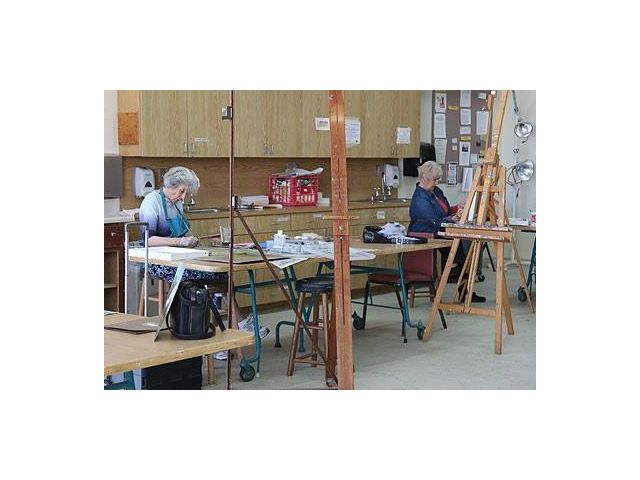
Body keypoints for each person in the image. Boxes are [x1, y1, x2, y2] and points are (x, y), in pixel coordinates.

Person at [139, 167, 269, 357]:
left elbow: (181, 234)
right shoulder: (152, 202)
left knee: (219, 275)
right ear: (171, 185)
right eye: (181, 192)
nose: (183, 197)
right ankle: (232, 328)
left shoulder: (176, 203)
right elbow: (147, 240)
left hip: (179, 257)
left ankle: (221, 336)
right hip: (159, 262)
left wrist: (190, 241)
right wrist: (179, 242)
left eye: (186, 193)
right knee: (206, 277)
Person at [408, 161, 486, 302]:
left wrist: (457, 208)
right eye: (434, 180)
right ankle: (461, 284)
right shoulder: (420, 200)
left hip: (440, 229)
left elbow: (445, 210)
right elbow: (434, 223)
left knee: (464, 247)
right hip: (427, 233)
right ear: (424, 178)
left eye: (438, 179)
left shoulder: (436, 191)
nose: (437, 182)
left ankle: (464, 287)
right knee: (459, 250)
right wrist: (452, 218)